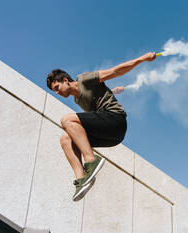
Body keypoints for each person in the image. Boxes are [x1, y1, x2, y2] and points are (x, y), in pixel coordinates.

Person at [46, 52, 157, 201]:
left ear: (65, 80)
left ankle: (91, 161)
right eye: (54, 91)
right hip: (111, 137)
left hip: (116, 120)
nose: (57, 92)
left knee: (67, 120)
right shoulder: (78, 100)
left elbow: (115, 71)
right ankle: (82, 179)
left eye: (57, 87)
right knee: (66, 139)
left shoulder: (84, 80)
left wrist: (142, 59)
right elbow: (96, 117)